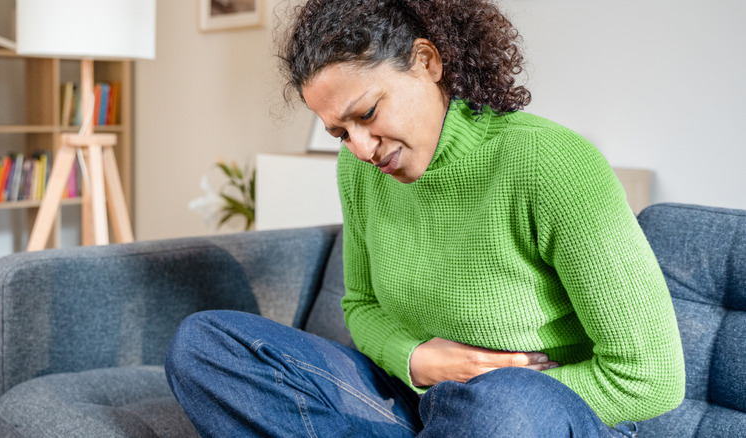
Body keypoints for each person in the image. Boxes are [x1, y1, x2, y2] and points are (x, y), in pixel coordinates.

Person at [165, 0, 686, 436]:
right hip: (411, 396)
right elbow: (361, 305)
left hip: (536, 414)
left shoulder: (551, 164)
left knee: (497, 409)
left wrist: (471, 400)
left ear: (427, 61)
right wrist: (416, 361)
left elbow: (652, 376)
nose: (362, 148)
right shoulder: (360, 171)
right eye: (341, 133)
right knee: (205, 345)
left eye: (367, 113)